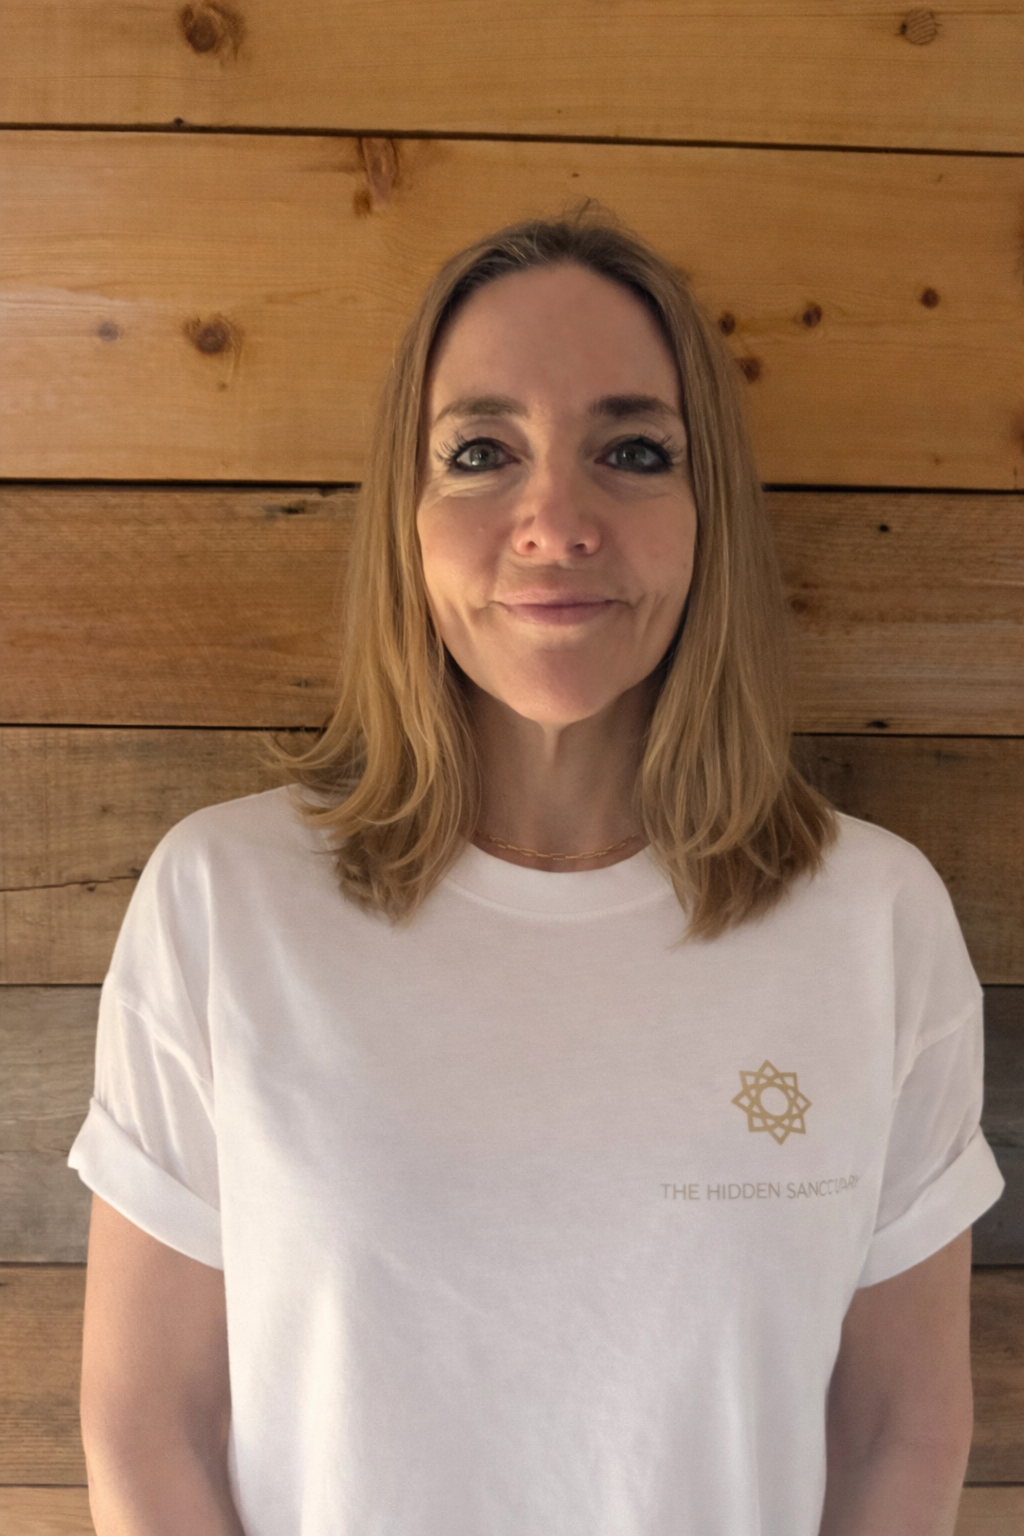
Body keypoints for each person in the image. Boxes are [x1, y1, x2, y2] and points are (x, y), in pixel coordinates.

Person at [70, 214, 1004, 1536]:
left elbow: (899, 1428)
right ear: (408, 512)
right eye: (480, 452)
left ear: (709, 513)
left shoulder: (872, 923)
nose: (554, 524)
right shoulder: (224, 903)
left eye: (633, 451)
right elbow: (150, 1423)